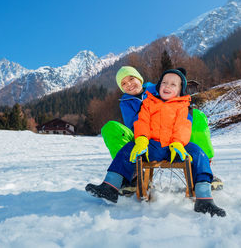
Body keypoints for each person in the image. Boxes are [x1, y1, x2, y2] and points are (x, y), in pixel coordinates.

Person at [86, 68, 226, 217]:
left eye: (131, 79)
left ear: (139, 78)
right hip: (148, 140)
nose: (129, 84)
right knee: (127, 147)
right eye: (124, 83)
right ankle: (117, 183)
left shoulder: (164, 93)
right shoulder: (134, 102)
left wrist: (178, 140)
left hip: (176, 142)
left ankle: (205, 195)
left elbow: (183, 125)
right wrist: (142, 138)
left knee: (198, 149)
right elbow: (139, 123)